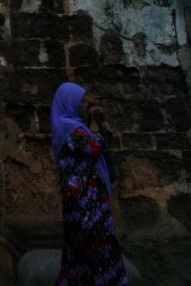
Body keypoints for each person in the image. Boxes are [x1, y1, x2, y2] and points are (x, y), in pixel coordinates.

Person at [51, 81, 129, 286]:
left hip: (86, 197)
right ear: (70, 102)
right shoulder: (71, 129)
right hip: (86, 201)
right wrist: (97, 125)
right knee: (97, 246)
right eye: (81, 100)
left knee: (78, 251)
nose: (85, 104)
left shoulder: (72, 127)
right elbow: (94, 146)